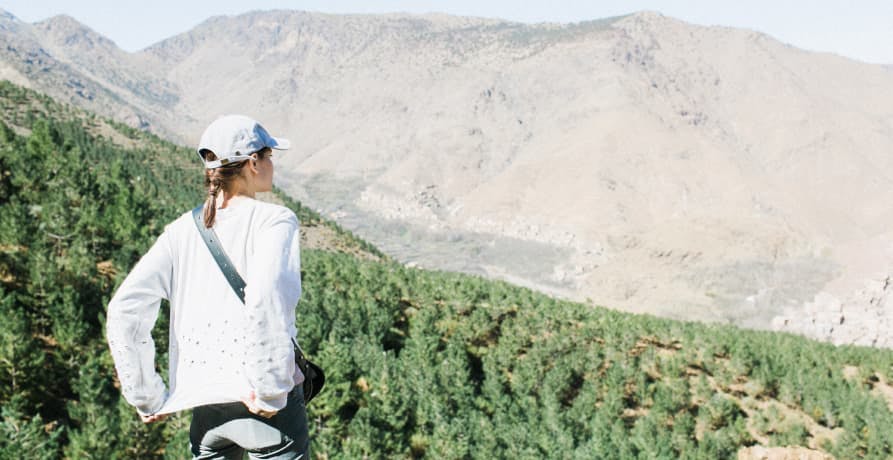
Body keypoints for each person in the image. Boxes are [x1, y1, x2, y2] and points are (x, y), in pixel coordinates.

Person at [106, 114, 309, 459]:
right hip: (264, 408)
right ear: (252, 162)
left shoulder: (181, 231)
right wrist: (271, 391)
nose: (272, 163)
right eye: (269, 155)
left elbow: (124, 309)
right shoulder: (274, 221)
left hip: (205, 409)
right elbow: (267, 301)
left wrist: (146, 396)